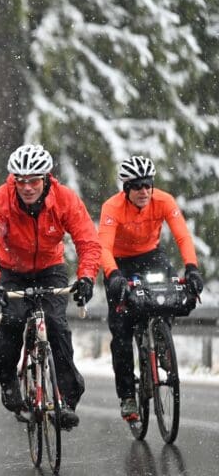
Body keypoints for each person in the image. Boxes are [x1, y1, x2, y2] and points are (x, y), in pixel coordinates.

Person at [0, 144, 101, 430]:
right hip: (10, 271)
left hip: (49, 269)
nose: (27, 187)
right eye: (21, 181)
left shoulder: (64, 199)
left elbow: (88, 241)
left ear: (46, 179)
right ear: (14, 181)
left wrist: (86, 278)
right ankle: (7, 377)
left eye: (34, 181)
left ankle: (66, 398)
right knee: (13, 320)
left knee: (56, 325)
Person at [99, 155, 203, 421]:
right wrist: (114, 276)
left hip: (151, 256)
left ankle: (162, 341)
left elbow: (182, 235)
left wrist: (191, 268)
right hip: (119, 263)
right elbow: (104, 248)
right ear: (126, 189)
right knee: (121, 333)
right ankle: (127, 398)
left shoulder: (164, 201)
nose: (144, 191)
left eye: (148, 185)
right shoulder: (112, 207)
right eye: (137, 186)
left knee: (167, 297)